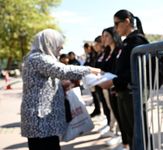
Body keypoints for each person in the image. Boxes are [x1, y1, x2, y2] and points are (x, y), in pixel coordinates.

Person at [21, 29, 101, 150]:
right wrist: (89, 69)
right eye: (58, 43)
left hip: (42, 119)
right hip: (42, 120)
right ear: (49, 43)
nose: (61, 47)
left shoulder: (35, 57)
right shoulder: (38, 58)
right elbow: (62, 71)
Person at [99, 9, 149, 149]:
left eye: (117, 24)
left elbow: (136, 70)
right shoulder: (127, 42)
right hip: (123, 92)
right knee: (130, 131)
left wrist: (114, 81)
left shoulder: (137, 40)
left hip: (132, 92)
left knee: (139, 133)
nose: (115, 28)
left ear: (127, 21)